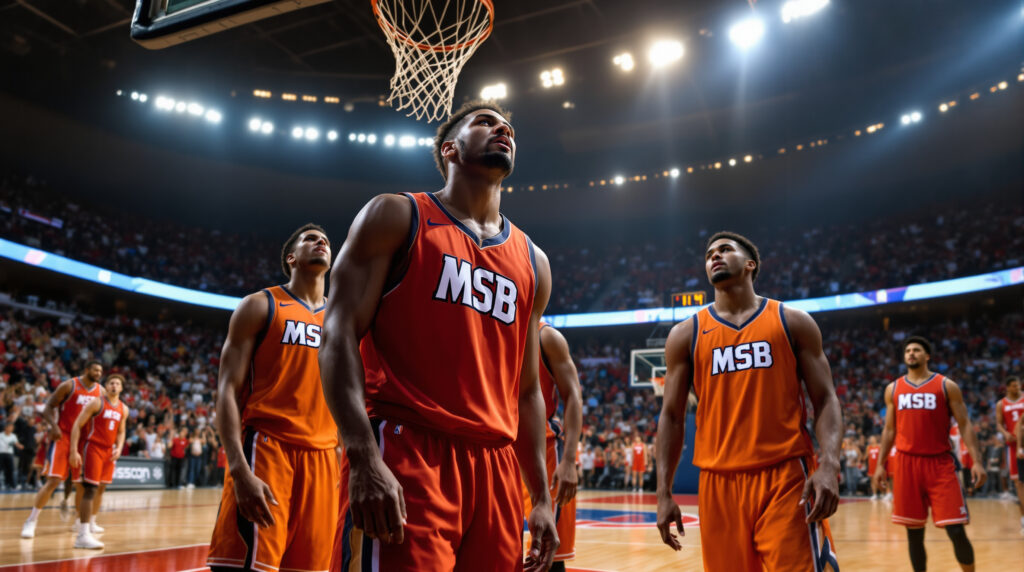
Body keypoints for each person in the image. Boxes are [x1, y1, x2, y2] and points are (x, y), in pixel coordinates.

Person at [320, 100, 558, 571]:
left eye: (508, 126)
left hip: (495, 464)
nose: (503, 129)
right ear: (450, 148)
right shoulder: (396, 215)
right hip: (409, 449)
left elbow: (528, 389)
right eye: (486, 122)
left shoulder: (535, 261)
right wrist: (364, 457)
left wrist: (541, 497)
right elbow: (337, 335)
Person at [656, 231, 842, 571]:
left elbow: (826, 399)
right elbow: (670, 415)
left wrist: (829, 463)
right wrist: (663, 492)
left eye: (726, 250)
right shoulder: (685, 334)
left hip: (785, 475)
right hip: (717, 482)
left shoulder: (792, 321)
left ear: (750, 264)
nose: (715, 255)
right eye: (710, 253)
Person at [206, 224, 339, 572]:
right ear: (291, 257)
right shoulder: (259, 305)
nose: (321, 241)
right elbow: (226, 390)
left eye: (324, 239)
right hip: (268, 449)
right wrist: (238, 467)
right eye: (310, 238)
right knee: (248, 564)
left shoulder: (341, 322)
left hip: (324, 460)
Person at [871, 336, 986, 572]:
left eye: (917, 350)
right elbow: (889, 429)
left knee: (956, 529)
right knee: (914, 534)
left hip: (940, 463)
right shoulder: (893, 389)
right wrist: (880, 464)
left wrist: (977, 461)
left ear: (927, 356)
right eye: (908, 350)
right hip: (906, 464)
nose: (911, 353)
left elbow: (964, 424)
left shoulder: (946, 386)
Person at [521, 323, 583, 570]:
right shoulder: (492, 325)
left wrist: (569, 460)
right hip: (498, 445)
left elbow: (574, 397)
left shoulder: (547, 337)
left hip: (543, 450)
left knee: (547, 556)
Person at [21, 361, 105, 539]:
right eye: (95, 369)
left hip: (83, 441)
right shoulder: (69, 385)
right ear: (86, 369)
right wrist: (53, 426)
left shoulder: (101, 391)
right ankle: (31, 520)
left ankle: (78, 521)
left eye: (100, 371)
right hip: (63, 436)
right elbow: (48, 407)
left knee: (81, 484)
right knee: (53, 481)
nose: (98, 373)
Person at [68, 374, 128, 549]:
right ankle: (82, 534)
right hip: (93, 447)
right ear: (106, 386)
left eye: (117, 383)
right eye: (111, 383)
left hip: (109, 451)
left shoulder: (124, 408)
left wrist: (120, 446)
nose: (114, 386)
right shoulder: (96, 403)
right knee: (90, 489)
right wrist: (73, 450)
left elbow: (121, 431)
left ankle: (91, 522)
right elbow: (77, 425)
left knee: (101, 487)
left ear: (121, 388)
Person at [995, 375, 1024, 527]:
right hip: (1012, 445)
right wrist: (1006, 433)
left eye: (1018, 385)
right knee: (1019, 482)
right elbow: (999, 424)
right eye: (1014, 385)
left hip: (1023, 441)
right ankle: (1023, 517)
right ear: (1007, 387)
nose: (1017, 387)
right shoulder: (1001, 404)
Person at [0, 422, 23, 490]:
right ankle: (2, 485)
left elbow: (16, 443)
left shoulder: (13, 436)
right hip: (1, 454)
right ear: (6, 427)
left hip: (9, 454)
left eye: (12, 427)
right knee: (1, 470)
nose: (11, 428)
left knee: (10, 470)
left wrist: (20, 446)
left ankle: (11, 485)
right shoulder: (1, 435)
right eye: (10, 427)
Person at [865, 435, 881, 500]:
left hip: (878, 465)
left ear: (875, 439)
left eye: (872, 438)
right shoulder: (868, 447)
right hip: (871, 465)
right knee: (872, 480)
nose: (871, 440)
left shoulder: (879, 446)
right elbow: (866, 456)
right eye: (870, 439)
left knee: (879, 480)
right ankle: (874, 494)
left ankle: (884, 492)